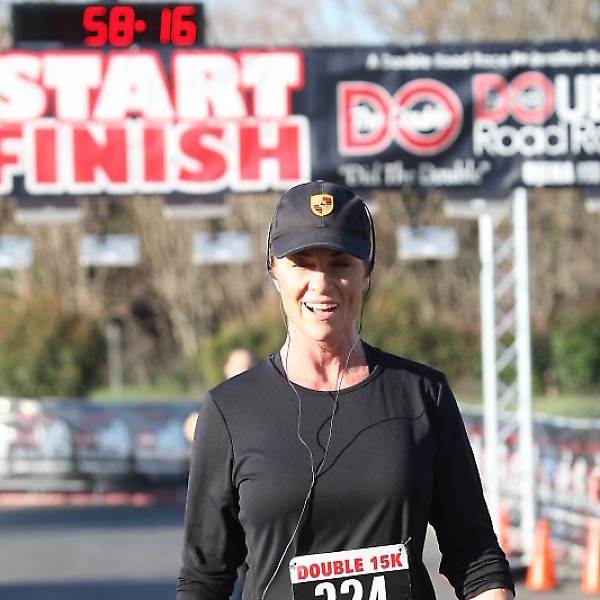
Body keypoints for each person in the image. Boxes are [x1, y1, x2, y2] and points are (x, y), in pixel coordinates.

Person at [177, 181, 515, 600]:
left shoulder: (423, 395)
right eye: (301, 264)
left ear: (366, 272)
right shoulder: (229, 410)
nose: (321, 284)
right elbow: (204, 578)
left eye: (340, 263)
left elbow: (475, 556)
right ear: (274, 270)